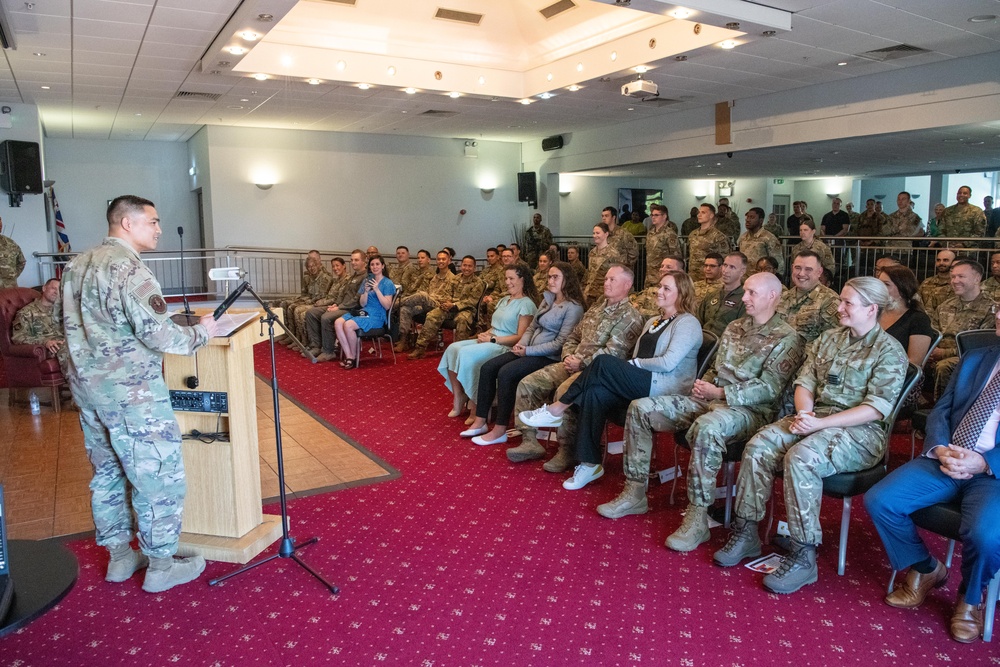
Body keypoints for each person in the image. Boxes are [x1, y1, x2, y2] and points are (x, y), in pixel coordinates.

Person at [61, 195, 220, 593]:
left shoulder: (75, 265)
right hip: (133, 396)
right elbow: (160, 335)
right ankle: (161, 566)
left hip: (89, 390)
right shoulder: (129, 268)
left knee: (108, 474)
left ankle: (119, 559)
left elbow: (66, 327)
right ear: (127, 223)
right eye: (153, 221)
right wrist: (203, 332)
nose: (159, 229)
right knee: (158, 476)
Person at [713, 277, 907, 594]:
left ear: (871, 309)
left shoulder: (889, 351)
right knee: (759, 445)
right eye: (840, 300)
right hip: (817, 417)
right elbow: (805, 383)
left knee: (801, 458)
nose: (839, 307)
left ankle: (803, 554)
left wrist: (818, 425)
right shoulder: (829, 338)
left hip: (861, 432)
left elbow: (875, 409)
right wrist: (805, 414)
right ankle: (746, 531)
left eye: (847, 303)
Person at [605, 273, 802, 550]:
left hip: (748, 410)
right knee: (641, 408)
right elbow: (715, 368)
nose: (744, 298)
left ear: (772, 296)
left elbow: (770, 388)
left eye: (751, 293)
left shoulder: (788, 337)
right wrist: (702, 385)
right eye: (745, 291)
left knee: (708, 428)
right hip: (711, 399)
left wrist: (721, 393)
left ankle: (698, 518)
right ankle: (635, 492)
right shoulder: (734, 327)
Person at [864, 308, 1000, 644]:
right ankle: (926, 568)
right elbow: (942, 408)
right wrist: (940, 448)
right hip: (947, 456)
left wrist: (983, 463)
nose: (997, 315)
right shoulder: (977, 357)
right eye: (997, 309)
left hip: (993, 474)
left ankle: (970, 597)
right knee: (880, 500)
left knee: (986, 535)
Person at [519, 270, 703, 490]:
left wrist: (633, 364)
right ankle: (590, 464)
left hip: (665, 387)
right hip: (643, 380)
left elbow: (667, 363)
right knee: (594, 393)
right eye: (659, 286)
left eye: (666, 288)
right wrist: (632, 365)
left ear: (681, 293)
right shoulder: (653, 321)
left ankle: (556, 409)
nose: (659, 291)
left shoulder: (687, 323)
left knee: (603, 362)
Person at [507, 264, 644, 464]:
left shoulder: (630, 317)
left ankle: (567, 450)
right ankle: (529, 441)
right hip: (571, 362)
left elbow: (614, 354)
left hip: (594, 371)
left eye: (612, 280)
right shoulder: (597, 308)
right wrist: (568, 357)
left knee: (564, 392)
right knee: (529, 383)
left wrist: (582, 363)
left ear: (627, 285)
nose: (606, 283)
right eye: (606, 278)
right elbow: (573, 336)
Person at [461, 262, 585, 446]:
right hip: (528, 349)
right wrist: (521, 344)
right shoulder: (548, 299)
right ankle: (480, 421)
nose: (550, 281)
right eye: (549, 277)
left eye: (555, 277)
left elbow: (560, 343)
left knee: (506, 373)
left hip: (547, 356)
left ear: (567, 279)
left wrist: (528, 350)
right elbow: (532, 327)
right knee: (488, 368)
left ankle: (500, 430)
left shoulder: (573, 307)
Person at [439, 265, 538, 420]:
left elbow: (521, 336)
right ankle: (459, 396)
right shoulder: (504, 300)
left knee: (467, 354)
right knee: (452, 348)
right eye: (506, 278)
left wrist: (493, 339)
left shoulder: (527, 304)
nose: (507, 282)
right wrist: (487, 333)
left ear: (523, 280)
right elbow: (496, 325)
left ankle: (475, 403)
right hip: (492, 338)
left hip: (504, 345)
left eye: (511, 278)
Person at [928, 259, 996, 399]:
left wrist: (943, 353)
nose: (955, 281)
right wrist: (929, 351)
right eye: (953, 277)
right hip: (936, 354)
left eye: (961, 276)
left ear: (977, 279)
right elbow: (932, 334)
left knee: (944, 366)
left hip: (969, 358)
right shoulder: (944, 306)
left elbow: (981, 346)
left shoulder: (991, 309)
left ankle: (942, 408)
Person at [408, 255, 484, 359]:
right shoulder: (455, 278)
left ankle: (459, 352)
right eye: (464, 265)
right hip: (449, 307)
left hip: (466, 309)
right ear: (461, 266)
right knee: (432, 315)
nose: (466, 268)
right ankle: (420, 348)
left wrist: (454, 305)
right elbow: (447, 293)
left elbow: (471, 301)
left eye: (469, 266)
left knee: (462, 320)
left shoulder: (478, 282)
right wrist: (447, 303)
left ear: (474, 268)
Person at [334, 254, 397, 369]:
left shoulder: (388, 283)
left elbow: (387, 306)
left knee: (348, 325)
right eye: (372, 264)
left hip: (377, 315)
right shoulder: (367, 280)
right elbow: (362, 303)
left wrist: (377, 290)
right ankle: (349, 355)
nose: (375, 267)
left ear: (383, 266)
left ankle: (352, 358)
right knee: (338, 322)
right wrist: (366, 292)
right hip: (365, 311)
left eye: (377, 264)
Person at [304, 249, 366, 359]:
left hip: (353, 309)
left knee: (326, 317)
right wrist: (335, 304)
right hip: (341, 306)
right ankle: (316, 346)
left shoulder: (366, 277)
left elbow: (357, 299)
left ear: (364, 261)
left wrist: (339, 307)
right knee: (311, 313)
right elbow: (342, 294)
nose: (353, 262)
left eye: (356, 260)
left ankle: (328, 351)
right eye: (352, 260)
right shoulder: (353, 276)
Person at [777, 251, 840, 343]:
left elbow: (834, 341)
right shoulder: (783, 297)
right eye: (797, 268)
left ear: (819, 272)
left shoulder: (829, 300)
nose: (801, 273)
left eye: (808, 269)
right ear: (792, 268)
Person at [273, 250, 331, 345]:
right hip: (309, 299)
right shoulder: (308, 276)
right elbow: (305, 293)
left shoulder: (325, 276)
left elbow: (321, 296)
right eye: (309, 265)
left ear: (319, 261)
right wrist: (302, 299)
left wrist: (305, 300)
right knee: (282, 303)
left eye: (314, 261)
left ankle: (301, 340)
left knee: (295, 309)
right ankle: (288, 334)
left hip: (318, 302)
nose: (311, 267)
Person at [11, 277, 67, 366]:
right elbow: (18, 337)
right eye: (53, 288)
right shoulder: (27, 312)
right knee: (72, 352)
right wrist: (45, 342)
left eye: (60, 290)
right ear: (44, 288)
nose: (56, 292)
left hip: (66, 342)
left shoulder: (63, 311)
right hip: (50, 347)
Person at [697, 252, 747, 337]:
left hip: (726, 343)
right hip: (703, 340)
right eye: (725, 265)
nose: (725, 270)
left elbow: (742, 331)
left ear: (742, 271)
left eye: (732, 267)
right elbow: (698, 321)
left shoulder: (745, 299)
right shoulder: (712, 295)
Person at [687, 204, 730, 281]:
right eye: (698, 212)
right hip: (692, 278)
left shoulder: (718, 236)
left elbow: (724, 260)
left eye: (703, 212)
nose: (699, 215)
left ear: (711, 215)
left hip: (709, 279)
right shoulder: (693, 234)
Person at [583, 223, 621, 307]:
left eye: (598, 233)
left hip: (602, 295)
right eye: (593, 233)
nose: (595, 236)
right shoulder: (592, 252)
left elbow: (616, 277)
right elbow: (589, 273)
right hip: (589, 294)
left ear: (606, 234)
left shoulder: (613, 254)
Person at [739, 207, 783, 276]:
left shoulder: (769, 238)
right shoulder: (743, 237)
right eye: (747, 217)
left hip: (761, 278)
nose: (748, 220)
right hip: (744, 279)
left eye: (752, 217)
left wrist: (774, 279)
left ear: (761, 221)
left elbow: (778, 264)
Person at [644, 204, 681, 288]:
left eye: (656, 215)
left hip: (663, 274)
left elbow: (676, 256)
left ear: (664, 216)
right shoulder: (651, 232)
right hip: (649, 274)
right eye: (652, 215)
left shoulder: (669, 233)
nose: (653, 217)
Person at [919, 249, 956, 314]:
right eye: (938, 260)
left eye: (945, 260)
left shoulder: (956, 284)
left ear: (953, 263)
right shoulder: (927, 282)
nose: (941, 263)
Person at [0, 215, 26, 289]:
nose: (0, 223)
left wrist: (11, 276)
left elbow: (21, 262)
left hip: (9, 288)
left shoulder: (10, 243)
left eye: (0, 220)